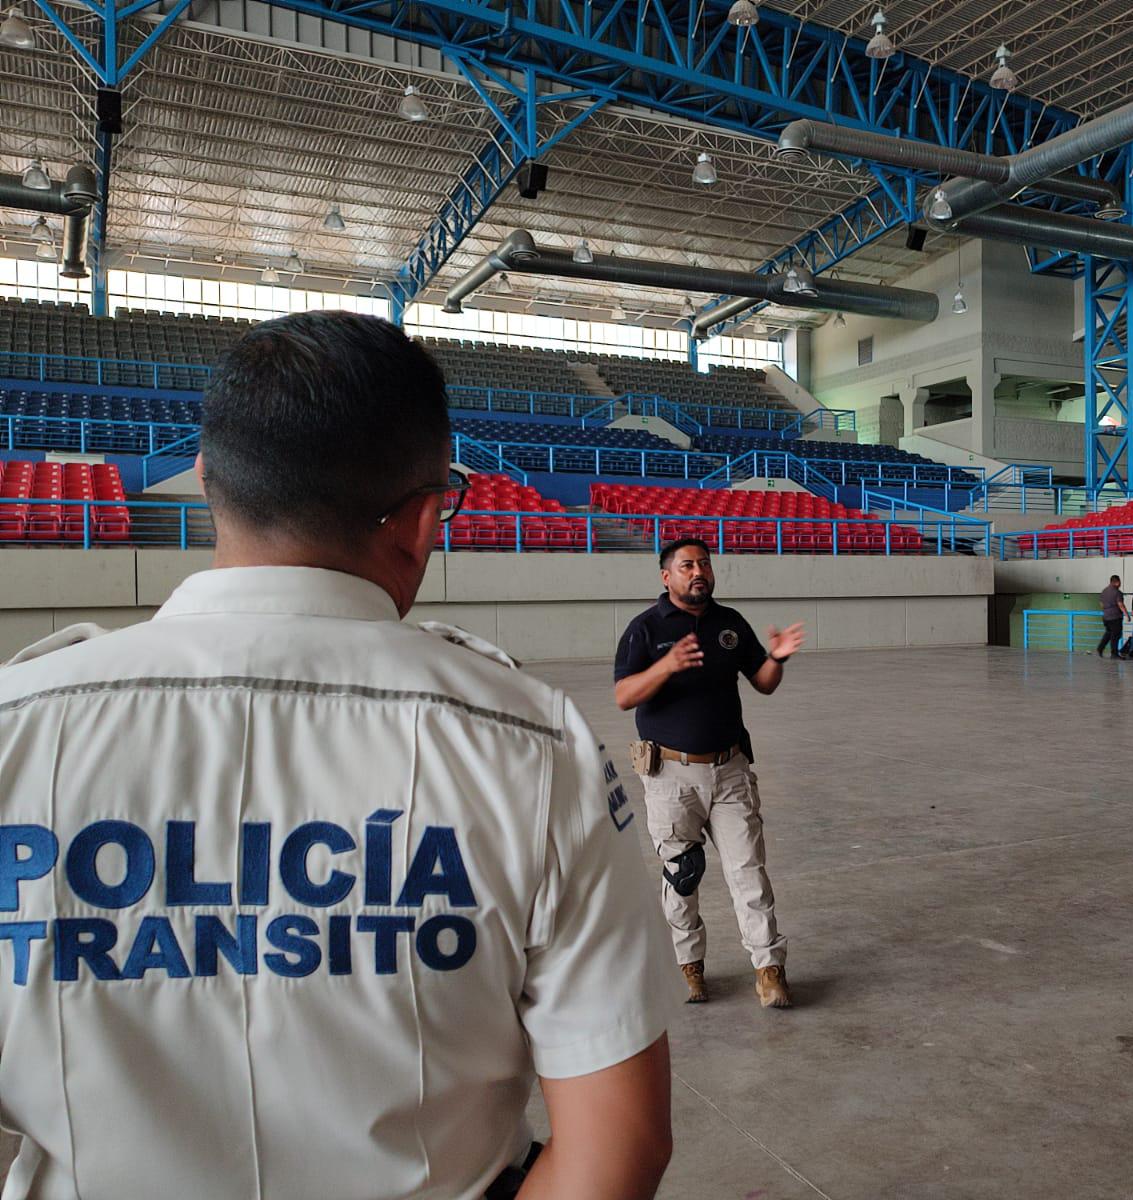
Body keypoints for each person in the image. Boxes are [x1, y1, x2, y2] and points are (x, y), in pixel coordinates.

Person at [0, 312, 677, 1200]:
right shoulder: (531, 746)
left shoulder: (17, 728)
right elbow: (616, 1150)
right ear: (424, 520)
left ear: (207, 482)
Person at [614, 539, 805, 1009]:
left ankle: (769, 969)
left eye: (704, 563)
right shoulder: (645, 628)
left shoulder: (729, 623)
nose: (698, 571)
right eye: (686, 565)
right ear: (667, 577)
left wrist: (777, 658)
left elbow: (763, 683)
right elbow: (624, 695)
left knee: (749, 871)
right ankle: (688, 966)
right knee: (683, 875)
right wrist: (667, 665)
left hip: (730, 770)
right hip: (670, 776)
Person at [1096, 574, 1128, 658]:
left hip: (1106, 617)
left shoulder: (1104, 591)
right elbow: (1120, 604)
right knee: (1115, 635)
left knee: (1109, 633)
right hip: (1115, 617)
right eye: (1119, 582)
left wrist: (1107, 610)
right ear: (1117, 582)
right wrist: (1126, 614)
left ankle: (1100, 648)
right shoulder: (1117, 592)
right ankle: (1114, 653)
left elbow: (1101, 604)